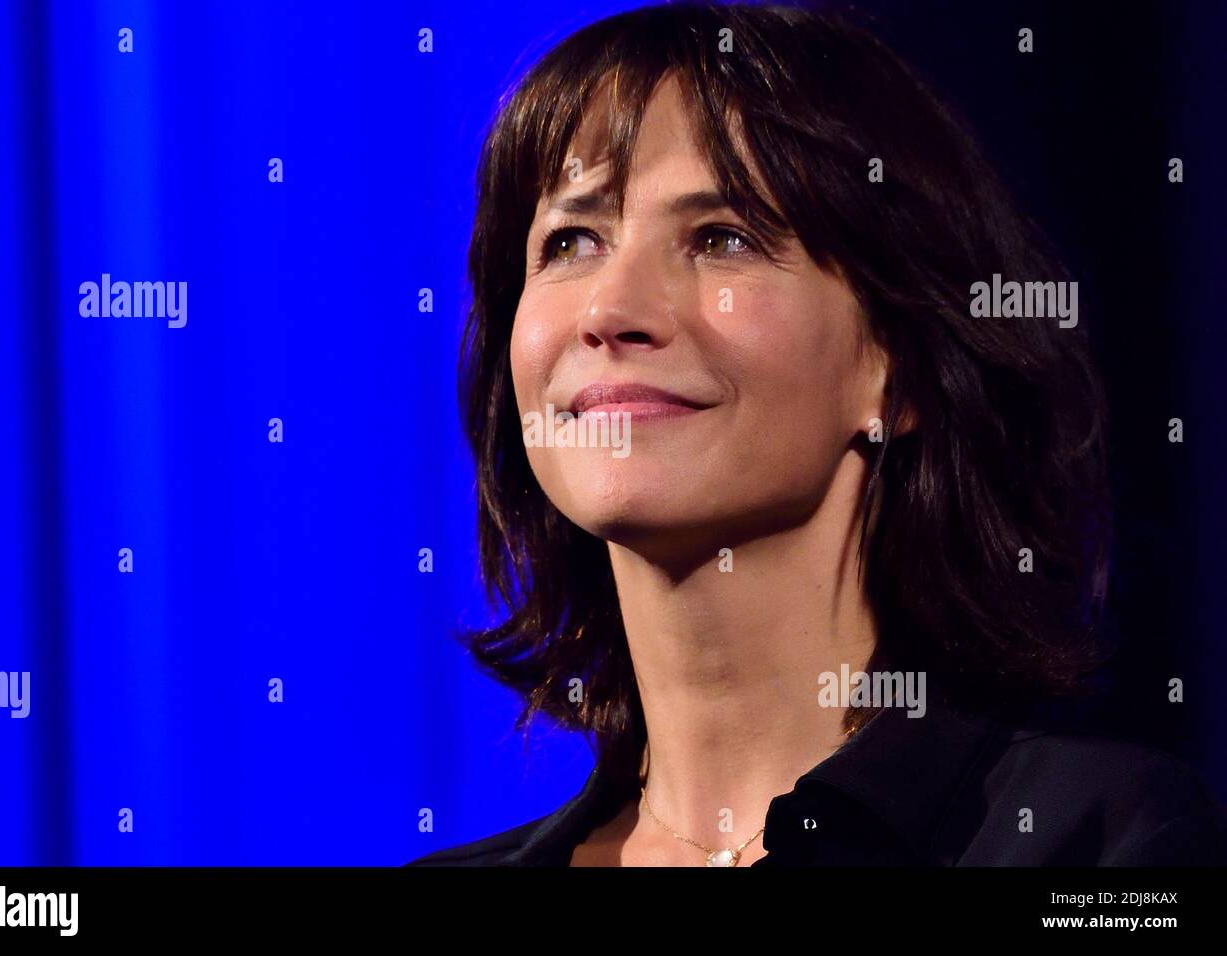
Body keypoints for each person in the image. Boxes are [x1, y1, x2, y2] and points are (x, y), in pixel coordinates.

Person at [406, 2, 1227, 866]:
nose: (610, 311)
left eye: (721, 238)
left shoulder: (1100, 841)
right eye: (571, 240)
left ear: (901, 365)